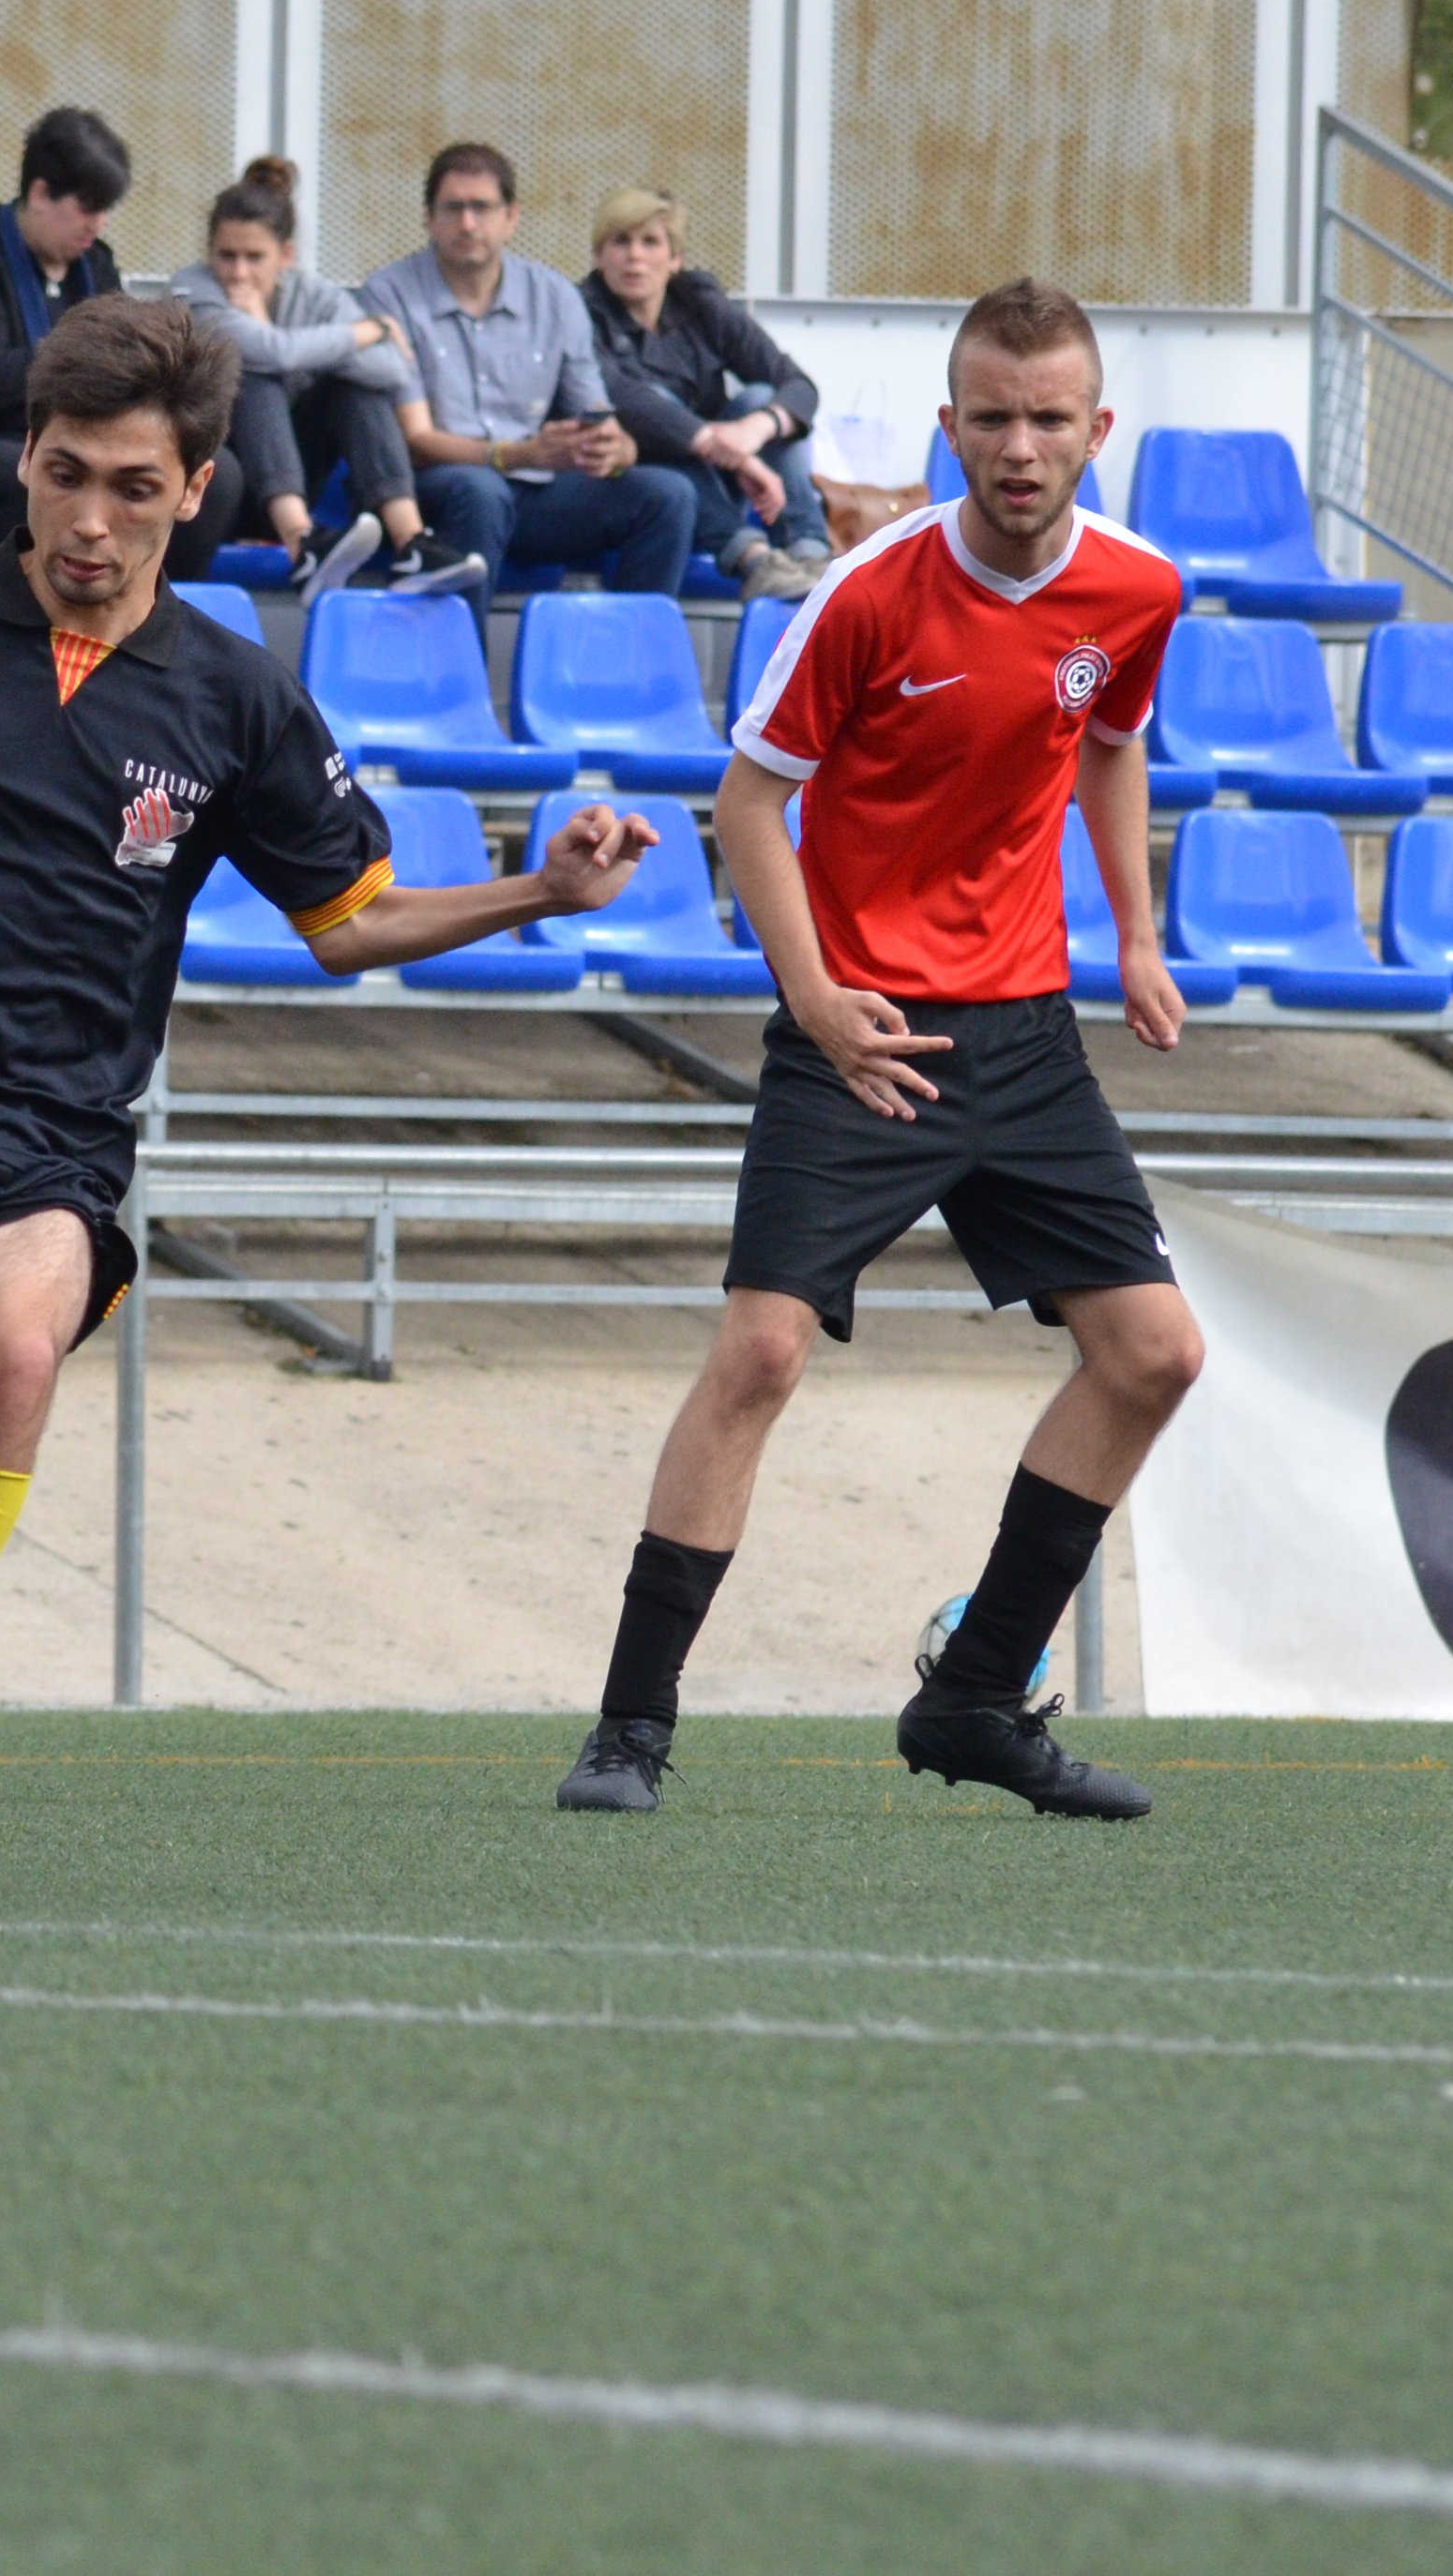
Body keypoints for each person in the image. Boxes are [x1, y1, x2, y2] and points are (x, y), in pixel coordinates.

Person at [0, 298, 649, 1888]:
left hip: (53, 1129)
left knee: (8, 1349)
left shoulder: (229, 697)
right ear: (22, 459)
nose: (90, 518)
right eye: (65, 473)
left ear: (197, 486)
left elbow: (348, 920)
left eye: (133, 487)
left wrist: (533, 897)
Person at [555, 278, 1201, 1825]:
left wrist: (1136, 927)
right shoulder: (863, 590)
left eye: (1049, 418)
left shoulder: (1134, 590)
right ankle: (627, 1729)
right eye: (990, 416)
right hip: (861, 1031)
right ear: (947, 423)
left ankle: (974, 1695)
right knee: (758, 1351)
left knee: (1154, 1350)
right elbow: (745, 804)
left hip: (1025, 1030)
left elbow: (1105, 740)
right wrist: (820, 998)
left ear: (1093, 429)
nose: (1019, 444)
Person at [360, 143, 693, 600]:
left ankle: (631, 662)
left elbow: (594, 410)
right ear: (428, 217)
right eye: (453, 208)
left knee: (668, 496)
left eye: (482, 208)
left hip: (535, 490)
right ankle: (460, 670)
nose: (468, 223)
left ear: (511, 217)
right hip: (433, 488)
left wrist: (616, 449)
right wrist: (517, 455)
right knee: (480, 492)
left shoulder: (554, 295)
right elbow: (415, 440)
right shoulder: (389, 293)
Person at [169, 155, 439, 592]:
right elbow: (269, 352)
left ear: (286, 255)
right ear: (209, 253)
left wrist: (302, 349)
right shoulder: (193, 288)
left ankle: (413, 543)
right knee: (255, 373)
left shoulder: (316, 296)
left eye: (255, 257)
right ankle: (303, 542)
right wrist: (369, 330)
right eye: (227, 256)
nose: (239, 273)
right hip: (218, 486)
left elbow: (393, 369)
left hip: (292, 474)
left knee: (358, 388)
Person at [583, 185, 827, 600]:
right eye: (620, 242)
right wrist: (711, 440)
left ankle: (810, 554)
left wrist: (756, 428)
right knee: (662, 413)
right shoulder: (580, 311)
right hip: (643, 483)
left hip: (726, 479)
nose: (635, 256)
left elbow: (798, 386)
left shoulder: (699, 302)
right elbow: (621, 395)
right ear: (599, 256)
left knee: (761, 400)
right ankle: (753, 558)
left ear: (674, 258)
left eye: (650, 242)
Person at [0, 106, 131, 541]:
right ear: (40, 193)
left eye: (105, 209)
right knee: (46, 483)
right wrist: (81, 355)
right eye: (87, 207)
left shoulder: (97, 263)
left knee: (213, 475)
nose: (99, 223)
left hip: (90, 438)